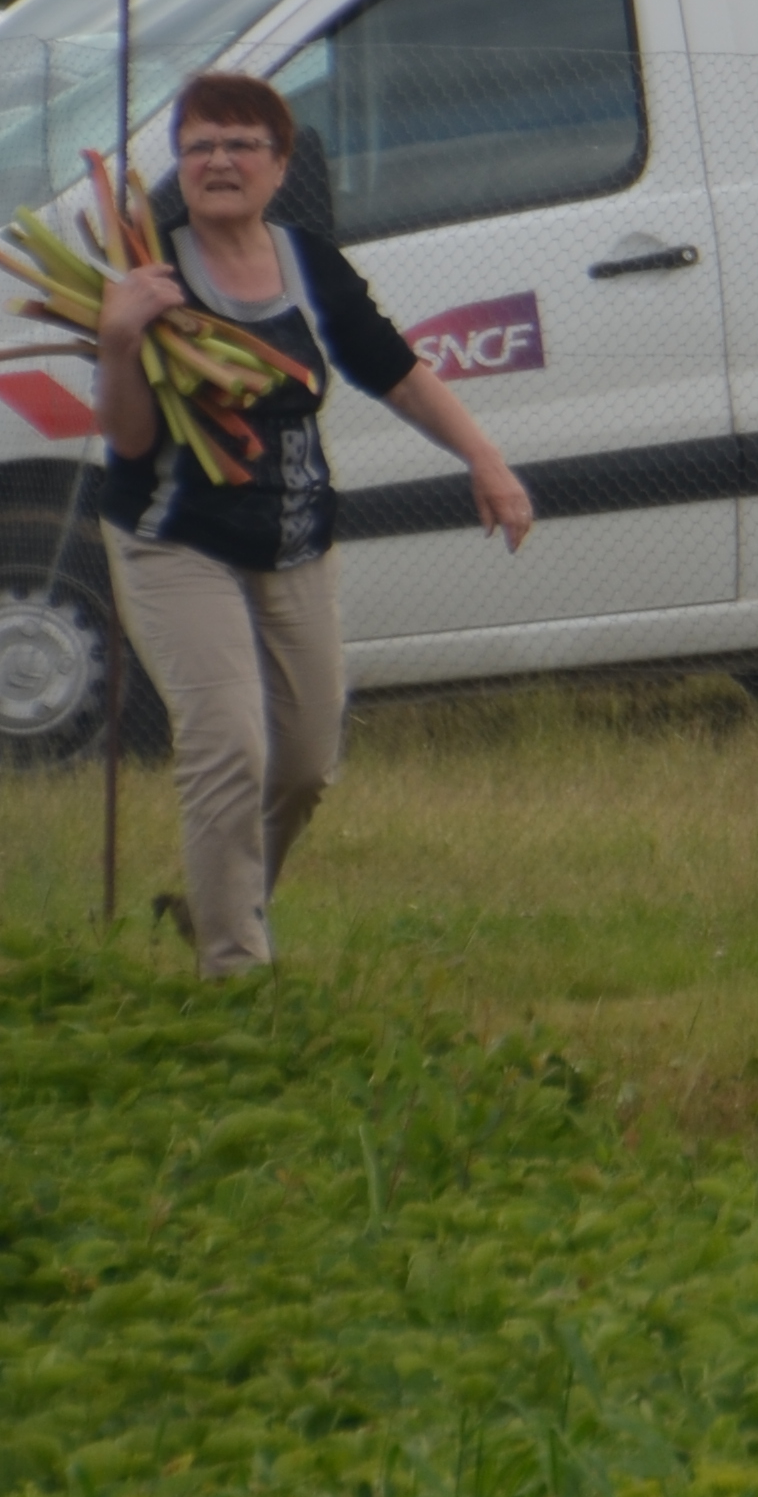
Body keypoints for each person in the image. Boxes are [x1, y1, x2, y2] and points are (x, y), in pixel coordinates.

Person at [96, 71, 534, 977]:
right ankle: (234, 970)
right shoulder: (153, 277)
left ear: (278, 162)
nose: (218, 160)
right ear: (179, 167)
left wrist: (485, 461)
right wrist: (118, 341)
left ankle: (220, 899)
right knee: (229, 745)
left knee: (301, 765)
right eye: (199, 145)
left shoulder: (308, 262)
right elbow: (131, 444)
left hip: (295, 535)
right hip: (175, 536)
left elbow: (397, 371)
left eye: (240, 144)